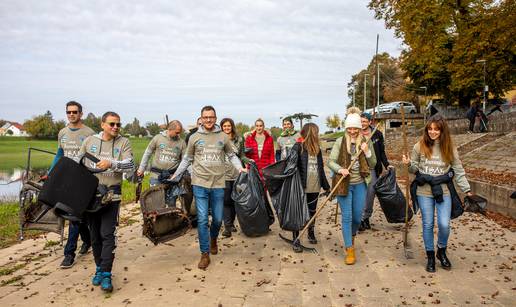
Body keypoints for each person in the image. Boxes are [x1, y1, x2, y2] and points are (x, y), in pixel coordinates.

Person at [171, 106, 245, 270]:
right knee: (203, 219)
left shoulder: (223, 137)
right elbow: (187, 159)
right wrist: (176, 174)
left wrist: (240, 168)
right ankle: (205, 253)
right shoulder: (194, 137)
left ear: (215, 118)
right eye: (205, 117)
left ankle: (213, 238)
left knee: (218, 220)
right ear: (201, 118)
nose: (209, 120)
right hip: (200, 184)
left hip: (219, 184)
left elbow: (232, 155)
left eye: (211, 117)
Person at [402, 115, 473, 273]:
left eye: (436, 129)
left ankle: (441, 250)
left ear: (442, 130)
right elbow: (414, 169)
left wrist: (467, 190)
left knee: (444, 224)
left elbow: (458, 170)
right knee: (427, 224)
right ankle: (430, 256)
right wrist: (408, 164)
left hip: (443, 190)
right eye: (430, 129)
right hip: (424, 190)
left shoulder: (449, 148)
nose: (432, 132)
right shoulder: (419, 146)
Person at [77, 111, 134, 292]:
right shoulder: (89, 142)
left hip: (112, 194)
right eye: (111, 124)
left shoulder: (124, 142)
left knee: (107, 234)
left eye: (118, 124)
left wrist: (111, 164)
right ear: (102, 124)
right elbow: (78, 162)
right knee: (94, 236)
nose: (115, 127)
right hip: (90, 195)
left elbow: (130, 164)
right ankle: (99, 269)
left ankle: (107, 273)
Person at [49, 101, 94, 269]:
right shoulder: (62, 133)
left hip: (83, 180)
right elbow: (59, 154)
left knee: (74, 217)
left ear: (81, 114)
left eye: (75, 112)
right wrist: (50, 172)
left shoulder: (89, 133)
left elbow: (94, 156)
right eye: (68, 112)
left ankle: (69, 254)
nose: (71, 115)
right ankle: (88, 240)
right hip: (66, 179)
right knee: (76, 217)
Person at [328, 110, 376, 265]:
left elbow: (373, 164)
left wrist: (367, 152)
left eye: (356, 128)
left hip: (360, 184)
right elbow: (331, 161)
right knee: (347, 217)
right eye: (350, 128)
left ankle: (351, 236)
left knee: (357, 217)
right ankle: (349, 249)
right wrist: (340, 169)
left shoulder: (366, 141)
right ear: (346, 128)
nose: (353, 131)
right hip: (344, 184)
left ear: (360, 128)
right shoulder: (340, 142)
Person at [290, 123, 330, 252]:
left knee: (312, 211)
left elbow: (321, 170)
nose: (317, 134)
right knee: (299, 213)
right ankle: (296, 238)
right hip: (301, 187)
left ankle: (310, 232)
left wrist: (326, 187)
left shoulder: (317, 149)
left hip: (315, 186)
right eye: (316, 132)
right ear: (311, 133)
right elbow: (291, 167)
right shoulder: (298, 147)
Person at [137, 120, 186, 206]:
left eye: (179, 133)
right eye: (177, 132)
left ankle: (170, 219)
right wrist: (141, 168)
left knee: (171, 203)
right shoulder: (157, 138)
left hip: (172, 178)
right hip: (156, 176)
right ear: (170, 129)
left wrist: (179, 175)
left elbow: (185, 161)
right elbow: (147, 153)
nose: (178, 135)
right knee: (157, 202)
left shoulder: (181, 143)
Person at [359, 112, 391, 231]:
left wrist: (386, 164)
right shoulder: (356, 134)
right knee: (360, 194)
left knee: (370, 195)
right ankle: (360, 219)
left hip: (373, 168)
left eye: (364, 121)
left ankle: (366, 217)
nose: (362, 124)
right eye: (360, 121)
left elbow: (382, 152)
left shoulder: (377, 134)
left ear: (369, 122)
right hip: (359, 169)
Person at [220, 118, 251, 238]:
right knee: (226, 200)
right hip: (224, 174)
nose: (226, 128)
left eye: (228, 126)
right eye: (224, 126)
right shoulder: (219, 139)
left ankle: (231, 223)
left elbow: (242, 155)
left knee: (235, 200)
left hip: (237, 174)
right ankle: (227, 227)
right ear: (221, 127)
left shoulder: (239, 139)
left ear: (232, 126)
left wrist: (248, 161)